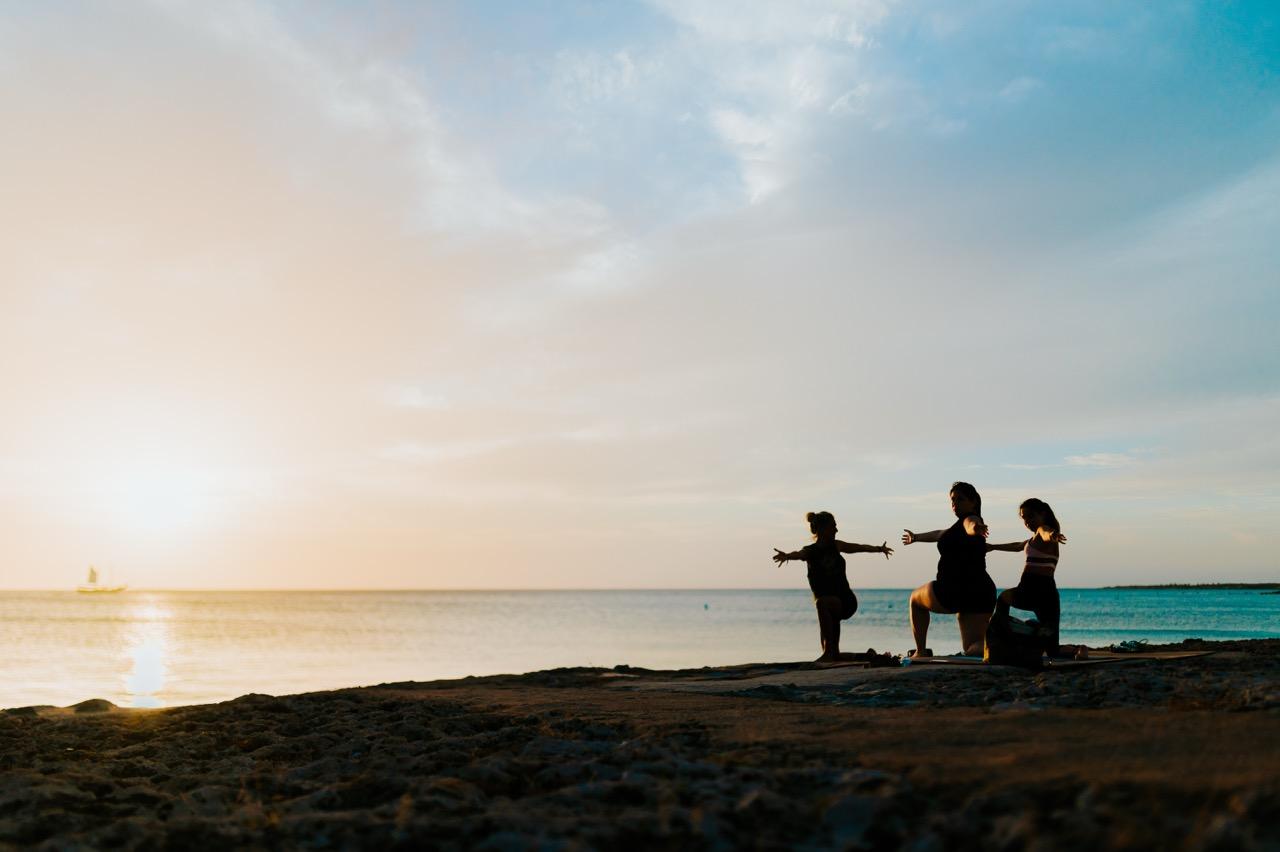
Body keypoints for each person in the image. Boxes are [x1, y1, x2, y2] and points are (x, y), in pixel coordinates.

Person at [773, 511, 893, 661]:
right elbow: (799, 554)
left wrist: (879, 549)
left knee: (821, 603)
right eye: (833, 526)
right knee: (833, 653)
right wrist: (787, 556)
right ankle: (868, 656)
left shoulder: (836, 545)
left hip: (845, 601)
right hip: (829, 605)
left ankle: (828, 654)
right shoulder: (811, 551)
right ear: (822, 529)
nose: (836, 530)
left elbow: (857, 547)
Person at [901, 482, 993, 657]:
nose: (955, 504)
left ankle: (920, 652)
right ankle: (1007, 647)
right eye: (952, 500)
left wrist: (976, 528)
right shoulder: (955, 529)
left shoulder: (970, 520)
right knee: (973, 647)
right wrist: (916, 537)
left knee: (915, 599)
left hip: (953, 591)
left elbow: (971, 525)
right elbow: (938, 534)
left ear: (973, 502)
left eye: (960, 499)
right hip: (981, 591)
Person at [986, 498, 1066, 657]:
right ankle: (1003, 644)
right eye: (1024, 518)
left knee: (1052, 650)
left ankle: (1078, 650)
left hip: (1040, 591)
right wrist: (993, 547)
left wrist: (1053, 535)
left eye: (1031, 516)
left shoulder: (1044, 530)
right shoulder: (1032, 540)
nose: (1027, 521)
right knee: (1003, 599)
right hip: (1034, 591)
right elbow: (1017, 546)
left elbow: (1045, 533)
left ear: (1043, 514)